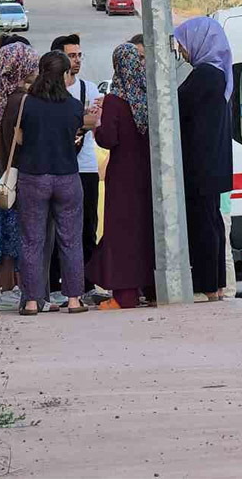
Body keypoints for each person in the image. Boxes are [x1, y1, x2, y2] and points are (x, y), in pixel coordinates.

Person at [15, 51, 88, 315]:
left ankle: (32, 301)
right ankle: (74, 300)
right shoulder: (74, 107)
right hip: (67, 176)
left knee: (32, 239)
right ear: (65, 74)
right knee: (70, 240)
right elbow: (76, 138)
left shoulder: (27, 104)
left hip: (33, 176)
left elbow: (20, 139)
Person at [87, 43, 157, 309]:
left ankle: (125, 294)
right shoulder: (151, 94)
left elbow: (108, 139)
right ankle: (152, 290)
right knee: (147, 230)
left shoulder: (116, 101)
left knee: (121, 232)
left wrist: (96, 124)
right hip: (149, 174)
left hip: (122, 177)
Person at [175, 17, 234, 302]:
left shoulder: (205, 76)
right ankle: (216, 285)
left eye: (185, 44)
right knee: (212, 223)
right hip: (211, 163)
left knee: (202, 225)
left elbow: (176, 107)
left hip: (200, 164)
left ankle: (207, 286)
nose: (183, 51)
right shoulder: (217, 74)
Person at [0, 41, 38, 301]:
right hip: (18, 171)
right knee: (18, 229)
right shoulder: (21, 100)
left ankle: (3, 287)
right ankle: (17, 287)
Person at [51, 34, 103, 294]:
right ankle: (56, 282)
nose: (77, 60)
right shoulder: (49, 91)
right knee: (55, 228)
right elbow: (86, 119)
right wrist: (79, 119)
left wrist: (70, 123)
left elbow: (96, 120)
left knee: (87, 226)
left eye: (79, 55)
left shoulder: (88, 88)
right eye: (72, 55)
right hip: (58, 167)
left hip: (86, 167)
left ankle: (87, 282)